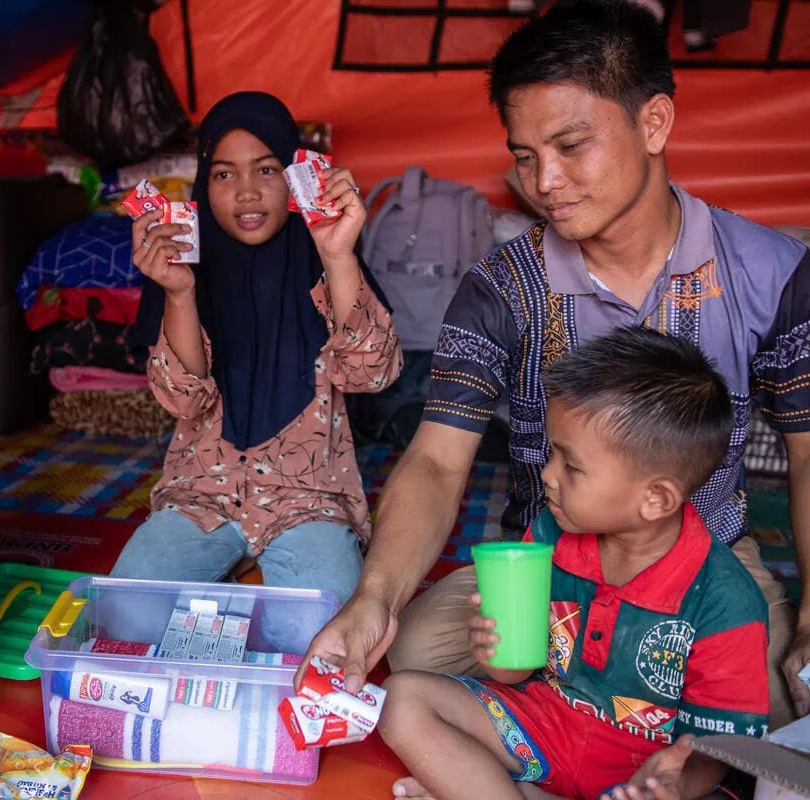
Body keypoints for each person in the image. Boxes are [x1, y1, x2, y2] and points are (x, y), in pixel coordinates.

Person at [301, 0, 810, 729]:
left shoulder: (772, 273)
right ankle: (598, 713)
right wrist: (373, 599)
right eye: (525, 156)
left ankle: (573, 714)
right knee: (413, 651)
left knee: (776, 699)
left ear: (654, 123)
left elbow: (807, 453)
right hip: (548, 565)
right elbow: (438, 461)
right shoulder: (500, 288)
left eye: (571, 146)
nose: (544, 182)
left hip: (708, 565)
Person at [379, 327, 768, 800]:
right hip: (546, 729)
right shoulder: (550, 534)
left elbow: (715, 750)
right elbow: (518, 673)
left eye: (572, 466)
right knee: (402, 699)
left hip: (644, 772)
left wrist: (672, 783)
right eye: (552, 455)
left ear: (656, 499)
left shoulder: (726, 600)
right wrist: (495, 654)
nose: (546, 474)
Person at [111, 92, 402, 648]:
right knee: (126, 617)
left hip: (308, 497)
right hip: (201, 493)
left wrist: (339, 256)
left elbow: (370, 374)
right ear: (204, 182)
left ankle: (241, 584)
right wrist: (179, 292)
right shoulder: (181, 263)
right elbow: (184, 400)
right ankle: (240, 577)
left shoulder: (324, 253)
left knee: (314, 635)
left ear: (295, 177)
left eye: (266, 169)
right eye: (224, 174)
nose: (246, 191)